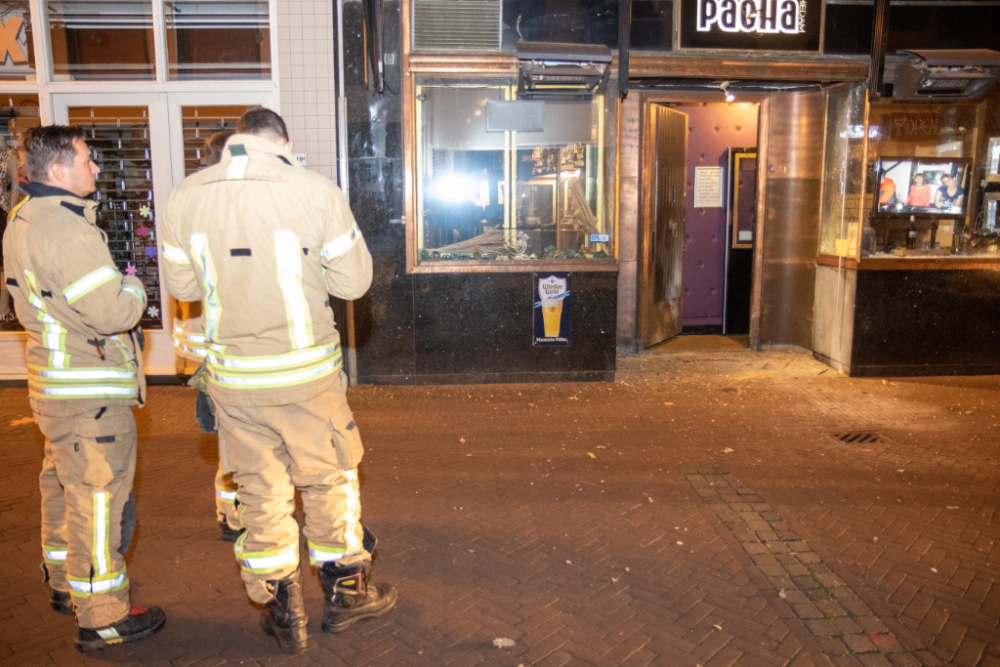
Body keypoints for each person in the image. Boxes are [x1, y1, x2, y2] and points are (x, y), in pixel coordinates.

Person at [160, 108, 396, 654]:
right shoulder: (315, 190)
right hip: (306, 375)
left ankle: (282, 608)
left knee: (260, 493)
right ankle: (347, 596)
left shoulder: (185, 196)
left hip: (235, 379)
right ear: (283, 141)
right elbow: (354, 282)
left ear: (237, 141)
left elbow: (181, 283)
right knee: (329, 480)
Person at [2, 125, 165, 651]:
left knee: (62, 484)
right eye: (88, 160)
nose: (96, 169)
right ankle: (102, 613)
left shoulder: (23, 218)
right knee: (99, 500)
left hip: (55, 384)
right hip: (89, 391)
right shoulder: (68, 231)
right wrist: (137, 287)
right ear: (57, 172)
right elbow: (111, 311)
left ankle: (62, 581)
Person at [170, 129, 245, 542]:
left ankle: (231, 511)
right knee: (237, 441)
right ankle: (233, 513)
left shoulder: (190, 207)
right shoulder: (217, 213)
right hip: (223, 354)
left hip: (213, 354)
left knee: (233, 440)